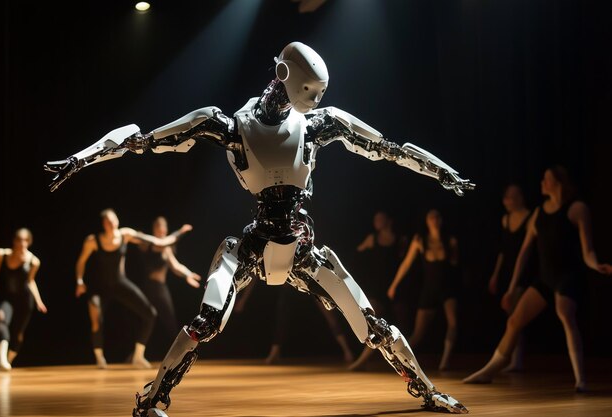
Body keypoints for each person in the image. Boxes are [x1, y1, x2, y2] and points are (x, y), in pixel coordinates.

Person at [46, 42, 474, 414]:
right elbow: (143, 139)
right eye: (311, 90)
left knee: (372, 326)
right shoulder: (230, 125)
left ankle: (427, 389)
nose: (317, 98)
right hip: (254, 241)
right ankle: (151, 399)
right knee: (207, 320)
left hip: (302, 246)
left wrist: (440, 171)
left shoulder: (317, 123)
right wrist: (82, 159)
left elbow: (387, 149)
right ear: (285, 76)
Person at [463, 166, 612, 391]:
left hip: (568, 277)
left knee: (565, 313)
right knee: (514, 321)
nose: (542, 183)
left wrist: (596, 265)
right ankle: (488, 372)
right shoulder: (538, 213)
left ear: (558, 183)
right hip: (545, 278)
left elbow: (587, 251)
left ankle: (581, 380)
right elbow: (524, 253)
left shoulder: (577, 209)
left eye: (546, 179)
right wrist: (512, 288)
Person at [74, 208, 191, 369]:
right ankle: (99, 357)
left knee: (150, 314)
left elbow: (159, 242)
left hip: (119, 284)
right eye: (107, 221)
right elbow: (81, 262)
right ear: (103, 224)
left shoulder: (125, 235)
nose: (111, 223)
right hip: (99, 287)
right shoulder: (93, 241)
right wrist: (79, 281)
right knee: (96, 320)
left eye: (113, 219)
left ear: (117, 220)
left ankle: (138, 356)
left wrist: (179, 233)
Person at [388, 209, 459, 371]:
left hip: (447, 288)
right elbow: (406, 264)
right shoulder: (420, 240)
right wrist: (394, 285)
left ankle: (445, 361)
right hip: (429, 290)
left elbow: (455, 264)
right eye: (431, 217)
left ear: (441, 220)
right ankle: (399, 360)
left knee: (453, 323)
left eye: (437, 217)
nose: (434, 220)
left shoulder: (450, 241)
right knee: (418, 333)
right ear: (426, 221)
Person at [348, 210, 405, 371]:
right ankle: (362, 361)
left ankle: (402, 361)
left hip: (396, 288)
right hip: (378, 288)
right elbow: (356, 255)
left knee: (401, 326)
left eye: (380, 219)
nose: (376, 222)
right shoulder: (373, 239)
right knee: (373, 323)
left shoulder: (400, 240)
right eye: (375, 219)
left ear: (389, 220)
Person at [487, 184, 534, 372]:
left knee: (516, 315)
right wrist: (495, 275)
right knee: (511, 315)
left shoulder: (530, 217)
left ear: (520, 198)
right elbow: (503, 252)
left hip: (524, 272)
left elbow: (527, 251)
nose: (508, 201)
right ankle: (515, 358)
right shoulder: (505, 219)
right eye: (506, 197)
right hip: (507, 271)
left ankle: (516, 359)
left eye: (511, 197)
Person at [0, 228, 47, 370]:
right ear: (14, 241)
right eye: (19, 240)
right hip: (8, 297)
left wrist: (39, 301)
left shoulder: (34, 261)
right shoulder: (1, 255)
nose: (22, 243)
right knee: (1, 319)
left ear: (29, 242)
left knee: (18, 334)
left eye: (25, 240)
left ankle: (8, 360)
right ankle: (2, 360)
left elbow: (30, 281)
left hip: (25, 300)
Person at [139, 216, 201, 340]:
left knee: (169, 320)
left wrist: (188, 274)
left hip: (160, 288)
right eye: (158, 227)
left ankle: (176, 352)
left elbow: (175, 266)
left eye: (163, 227)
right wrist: (181, 231)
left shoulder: (166, 248)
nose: (161, 230)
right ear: (154, 229)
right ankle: (136, 352)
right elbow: (159, 242)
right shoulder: (149, 243)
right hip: (150, 287)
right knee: (146, 318)